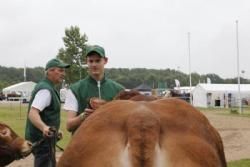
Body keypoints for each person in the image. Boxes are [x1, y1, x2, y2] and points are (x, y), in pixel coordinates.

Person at [64, 45, 125, 133]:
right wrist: (83, 116)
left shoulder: (119, 90)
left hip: (111, 144)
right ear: (87, 62)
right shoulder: (75, 89)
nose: (94, 64)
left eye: (97, 61)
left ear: (105, 61)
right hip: (84, 144)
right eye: (91, 61)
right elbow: (69, 126)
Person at [25, 58, 70, 167]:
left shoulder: (46, 87)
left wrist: (54, 129)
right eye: (60, 70)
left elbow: (44, 114)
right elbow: (33, 113)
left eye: (64, 71)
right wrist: (44, 128)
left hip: (43, 140)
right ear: (49, 71)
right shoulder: (46, 90)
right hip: (43, 141)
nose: (63, 74)